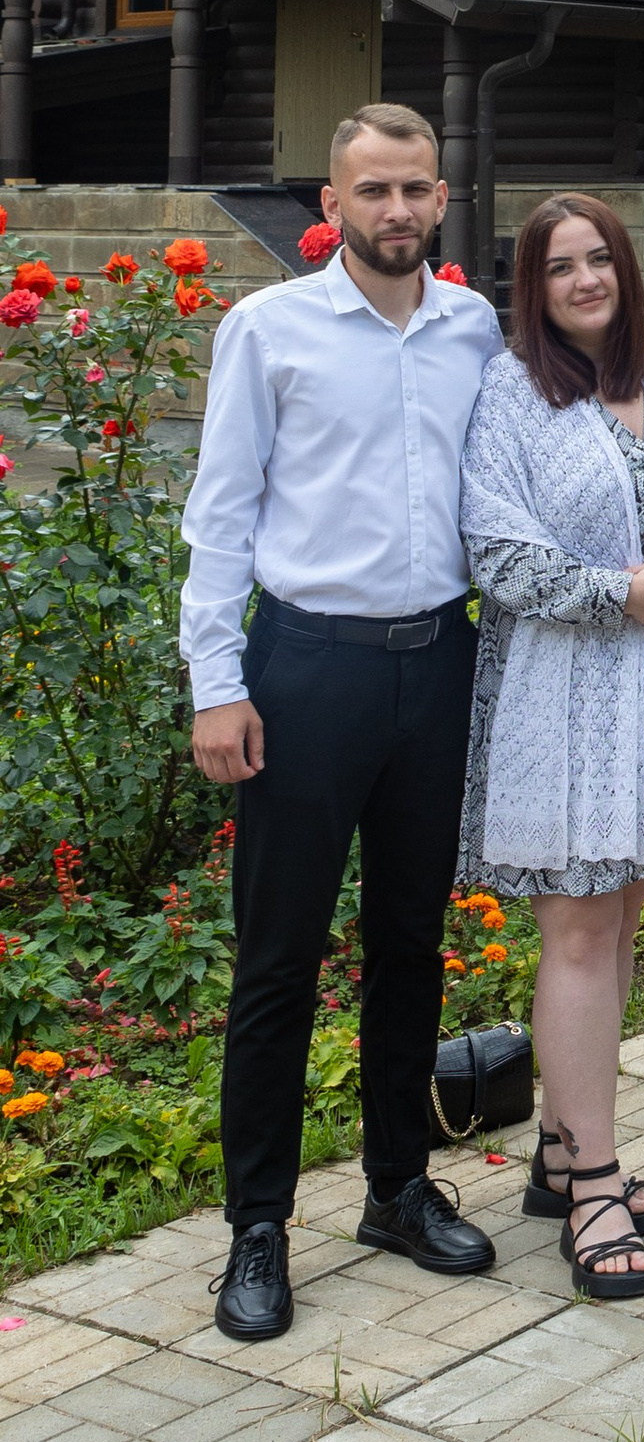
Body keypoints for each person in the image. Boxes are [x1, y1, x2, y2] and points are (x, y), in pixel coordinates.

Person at [183, 104, 503, 1346]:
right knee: (276, 958)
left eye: (416, 189)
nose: (397, 212)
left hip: (440, 662)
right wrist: (219, 680)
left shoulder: (475, 328)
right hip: (305, 666)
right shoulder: (269, 332)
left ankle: (395, 1189)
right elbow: (221, 513)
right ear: (334, 198)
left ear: (440, 196)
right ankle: (256, 1226)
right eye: (373, 191)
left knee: (410, 944)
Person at [456, 195, 644, 1296]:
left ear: (624, 271)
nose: (583, 280)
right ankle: (594, 1186)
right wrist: (619, 592)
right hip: (566, 694)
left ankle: (560, 1147)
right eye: (559, 266)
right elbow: (494, 545)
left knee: (618, 919)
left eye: (599, 261)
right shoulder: (512, 393)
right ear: (532, 287)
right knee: (577, 930)